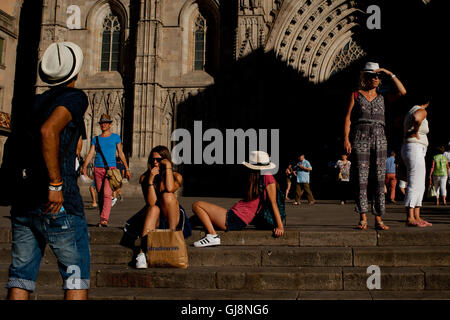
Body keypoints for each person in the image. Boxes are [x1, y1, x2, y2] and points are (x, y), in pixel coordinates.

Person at [6, 42, 90, 300]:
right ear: (74, 72)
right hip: (58, 203)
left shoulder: (32, 103)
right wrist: (55, 185)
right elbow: (49, 131)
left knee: (20, 277)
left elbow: (14, 143)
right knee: (75, 279)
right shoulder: (74, 97)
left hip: (24, 202)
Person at [344, 62, 406, 230]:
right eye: (373, 75)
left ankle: (378, 218)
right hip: (360, 135)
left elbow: (402, 91)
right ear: (366, 77)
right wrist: (346, 139)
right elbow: (348, 118)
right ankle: (363, 217)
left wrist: (389, 72)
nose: (376, 78)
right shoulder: (356, 95)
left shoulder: (383, 95)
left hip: (379, 136)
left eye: (379, 76)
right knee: (361, 178)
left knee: (379, 179)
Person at [191, 151, 284, 247]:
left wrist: (280, 226)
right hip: (235, 216)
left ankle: (213, 236)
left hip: (236, 218)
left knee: (197, 205)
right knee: (195, 219)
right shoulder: (256, 177)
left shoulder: (268, 177)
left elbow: (273, 203)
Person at [135, 146, 184, 269]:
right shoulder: (145, 178)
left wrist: (167, 168)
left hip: (171, 214)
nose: (155, 162)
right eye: (152, 160)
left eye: (158, 159)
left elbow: (169, 188)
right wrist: (150, 180)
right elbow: (151, 202)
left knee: (168, 196)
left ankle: (172, 238)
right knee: (154, 208)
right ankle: (141, 254)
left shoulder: (176, 176)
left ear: (165, 159)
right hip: (154, 216)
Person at [81, 114, 131, 227]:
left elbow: (121, 153)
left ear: (110, 124)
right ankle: (102, 217)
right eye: (102, 123)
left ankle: (104, 219)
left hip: (111, 170)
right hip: (97, 169)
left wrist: (127, 168)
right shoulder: (96, 139)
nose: (103, 125)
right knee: (100, 194)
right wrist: (84, 166)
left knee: (107, 194)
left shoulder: (115, 137)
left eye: (106, 123)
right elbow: (90, 153)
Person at [401, 93, 432, 227]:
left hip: (412, 148)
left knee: (419, 183)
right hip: (415, 147)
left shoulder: (410, 110)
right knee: (414, 183)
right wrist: (416, 130)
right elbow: (417, 118)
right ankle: (410, 217)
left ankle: (417, 216)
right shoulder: (421, 110)